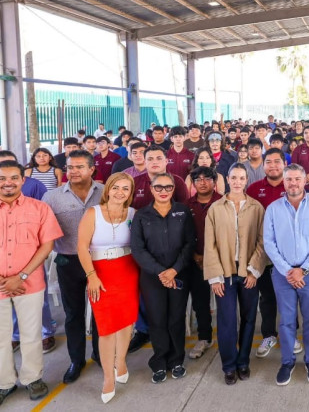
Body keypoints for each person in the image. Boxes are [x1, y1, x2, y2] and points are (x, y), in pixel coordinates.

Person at [0, 160, 61, 410]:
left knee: (31, 335)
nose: (9, 183)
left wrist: (22, 276)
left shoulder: (39, 209)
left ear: (22, 180)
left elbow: (46, 246)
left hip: (30, 283)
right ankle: (4, 383)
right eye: (2, 178)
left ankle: (32, 378)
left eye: (14, 178)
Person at [263, 164, 309, 386]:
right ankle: (287, 362)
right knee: (286, 321)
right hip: (283, 275)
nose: (293, 183)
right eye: (289, 179)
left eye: (297, 179)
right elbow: (269, 243)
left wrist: (304, 269)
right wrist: (287, 270)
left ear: (304, 181)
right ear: (284, 182)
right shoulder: (273, 209)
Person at [42, 150, 103, 384]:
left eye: (79, 167)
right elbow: (44, 231)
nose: (73, 171)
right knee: (73, 313)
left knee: (100, 311)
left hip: (99, 260)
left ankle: (100, 353)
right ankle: (76, 360)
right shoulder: (52, 197)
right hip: (68, 261)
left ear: (91, 169)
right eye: (69, 167)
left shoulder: (106, 192)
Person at [77, 173, 138, 403]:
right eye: (116, 188)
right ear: (108, 190)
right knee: (106, 328)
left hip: (128, 271)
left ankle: (120, 362)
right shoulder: (93, 213)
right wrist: (91, 276)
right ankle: (107, 377)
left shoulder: (133, 214)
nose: (120, 192)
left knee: (126, 323)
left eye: (125, 188)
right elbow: (82, 247)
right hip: (100, 273)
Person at [204, 163, 266, 385]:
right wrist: (214, 277)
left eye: (242, 178)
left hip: (248, 273)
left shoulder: (257, 207)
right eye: (234, 177)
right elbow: (209, 245)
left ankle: (243, 361)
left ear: (247, 180)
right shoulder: (215, 208)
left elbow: (262, 241)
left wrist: (254, 270)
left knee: (249, 318)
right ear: (227, 179)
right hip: (225, 274)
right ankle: (229, 365)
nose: (237, 181)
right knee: (227, 320)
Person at [130, 172, 195, 384]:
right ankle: (158, 362)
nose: (164, 191)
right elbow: (138, 250)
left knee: (176, 318)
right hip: (152, 277)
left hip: (179, 274)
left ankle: (176, 360)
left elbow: (189, 244)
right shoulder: (141, 215)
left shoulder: (183, 211)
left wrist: (174, 270)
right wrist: (161, 272)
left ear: (173, 190)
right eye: (159, 187)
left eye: (168, 187)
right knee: (157, 320)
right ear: (151, 188)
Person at [246, 149, 303, 358]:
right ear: (263, 166)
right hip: (263, 254)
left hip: (288, 255)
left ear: (284, 164)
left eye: (277, 162)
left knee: (289, 297)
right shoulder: (253, 189)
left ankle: (291, 334)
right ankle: (269, 334)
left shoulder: (292, 187)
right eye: (268, 162)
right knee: (268, 297)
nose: (273, 166)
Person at [184, 166, 221, 360]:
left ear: (214, 182)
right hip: (195, 260)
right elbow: (183, 235)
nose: (203, 182)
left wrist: (211, 257)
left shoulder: (224, 202)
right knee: (200, 302)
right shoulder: (186, 205)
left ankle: (226, 335)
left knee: (225, 302)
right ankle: (204, 338)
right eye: (198, 179)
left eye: (207, 178)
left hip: (220, 262)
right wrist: (195, 256)